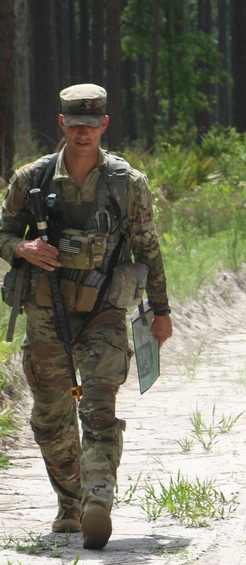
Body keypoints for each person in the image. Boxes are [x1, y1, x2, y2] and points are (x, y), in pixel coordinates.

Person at [0, 83, 173, 549]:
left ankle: (98, 500)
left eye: (91, 125)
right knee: (51, 417)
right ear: (62, 124)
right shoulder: (30, 180)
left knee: (97, 407)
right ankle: (70, 502)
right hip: (45, 315)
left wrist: (161, 311)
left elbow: (148, 249)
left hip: (104, 314)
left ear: (104, 124)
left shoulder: (126, 182)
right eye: (74, 125)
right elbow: (2, 231)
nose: (82, 134)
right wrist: (22, 247)